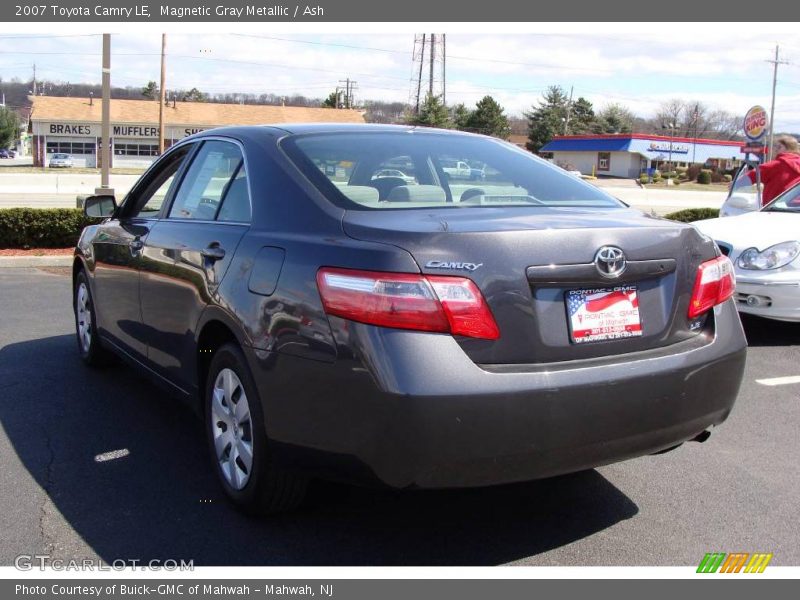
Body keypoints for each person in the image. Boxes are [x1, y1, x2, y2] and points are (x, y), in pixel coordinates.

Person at [747, 135, 800, 205]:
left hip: (776, 208)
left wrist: (735, 184)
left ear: (790, 148)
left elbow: (751, 176)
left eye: (779, 147)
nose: (776, 149)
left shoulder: (778, 164)